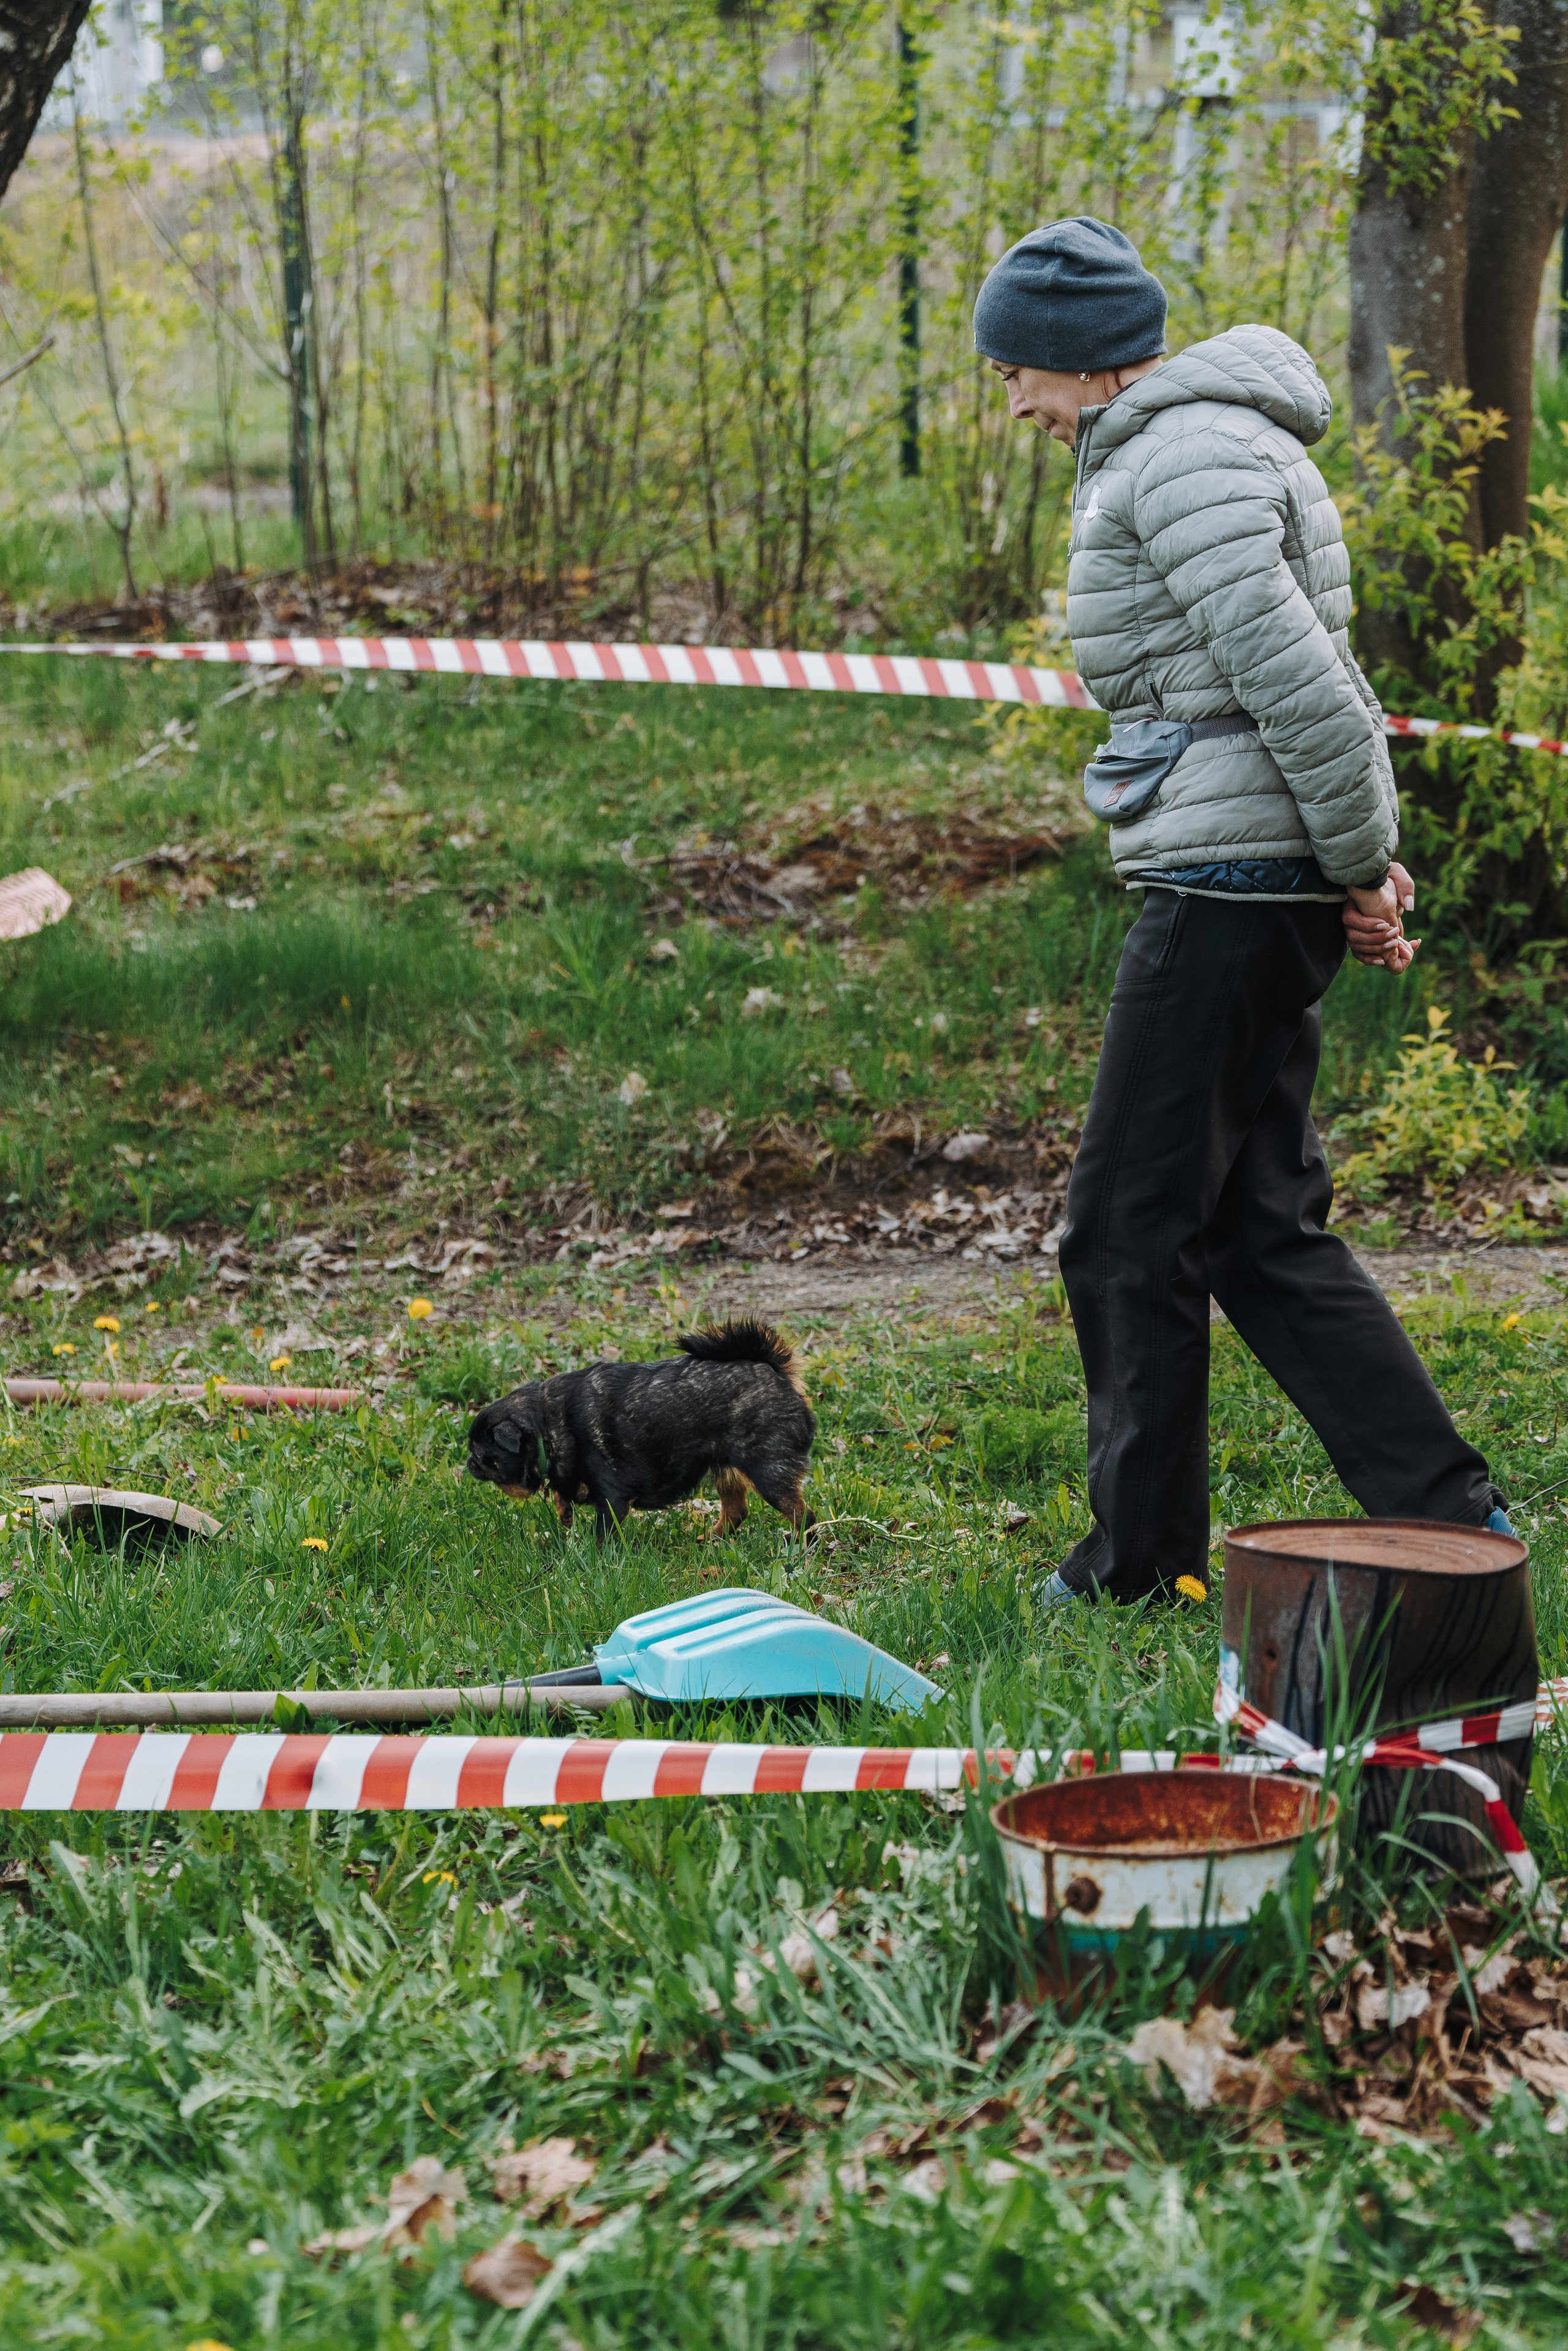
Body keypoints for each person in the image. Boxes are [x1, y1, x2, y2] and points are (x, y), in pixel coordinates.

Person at [971, 216, 1510, 1608]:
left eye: (1018, 371)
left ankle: (1132, 1567)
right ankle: (1448, 1512)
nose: (1013, 402)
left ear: (1083, 362)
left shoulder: (1179, 457)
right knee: (1256, 1226)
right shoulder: (1186, 444)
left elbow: (1305, 682)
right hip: (1251, 866)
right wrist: (1349, 859)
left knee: (1123, 1229)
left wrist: (1358, 861)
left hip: (1229, 883)